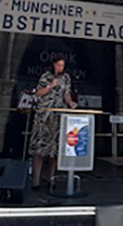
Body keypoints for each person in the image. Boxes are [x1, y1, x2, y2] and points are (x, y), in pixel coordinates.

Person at [29, 53, 77, 189]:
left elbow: (66, 93)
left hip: (57, 116)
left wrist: (70, 102)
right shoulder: (46, 76)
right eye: (59, 65)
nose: (61, 68)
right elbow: (38, 93)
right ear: (54, 65)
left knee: (54, 150)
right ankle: (36, 180)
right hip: (44, 115)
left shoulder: (66, 78)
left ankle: (51, 179)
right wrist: (50, 86)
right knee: (39, 149)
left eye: (63, 65)